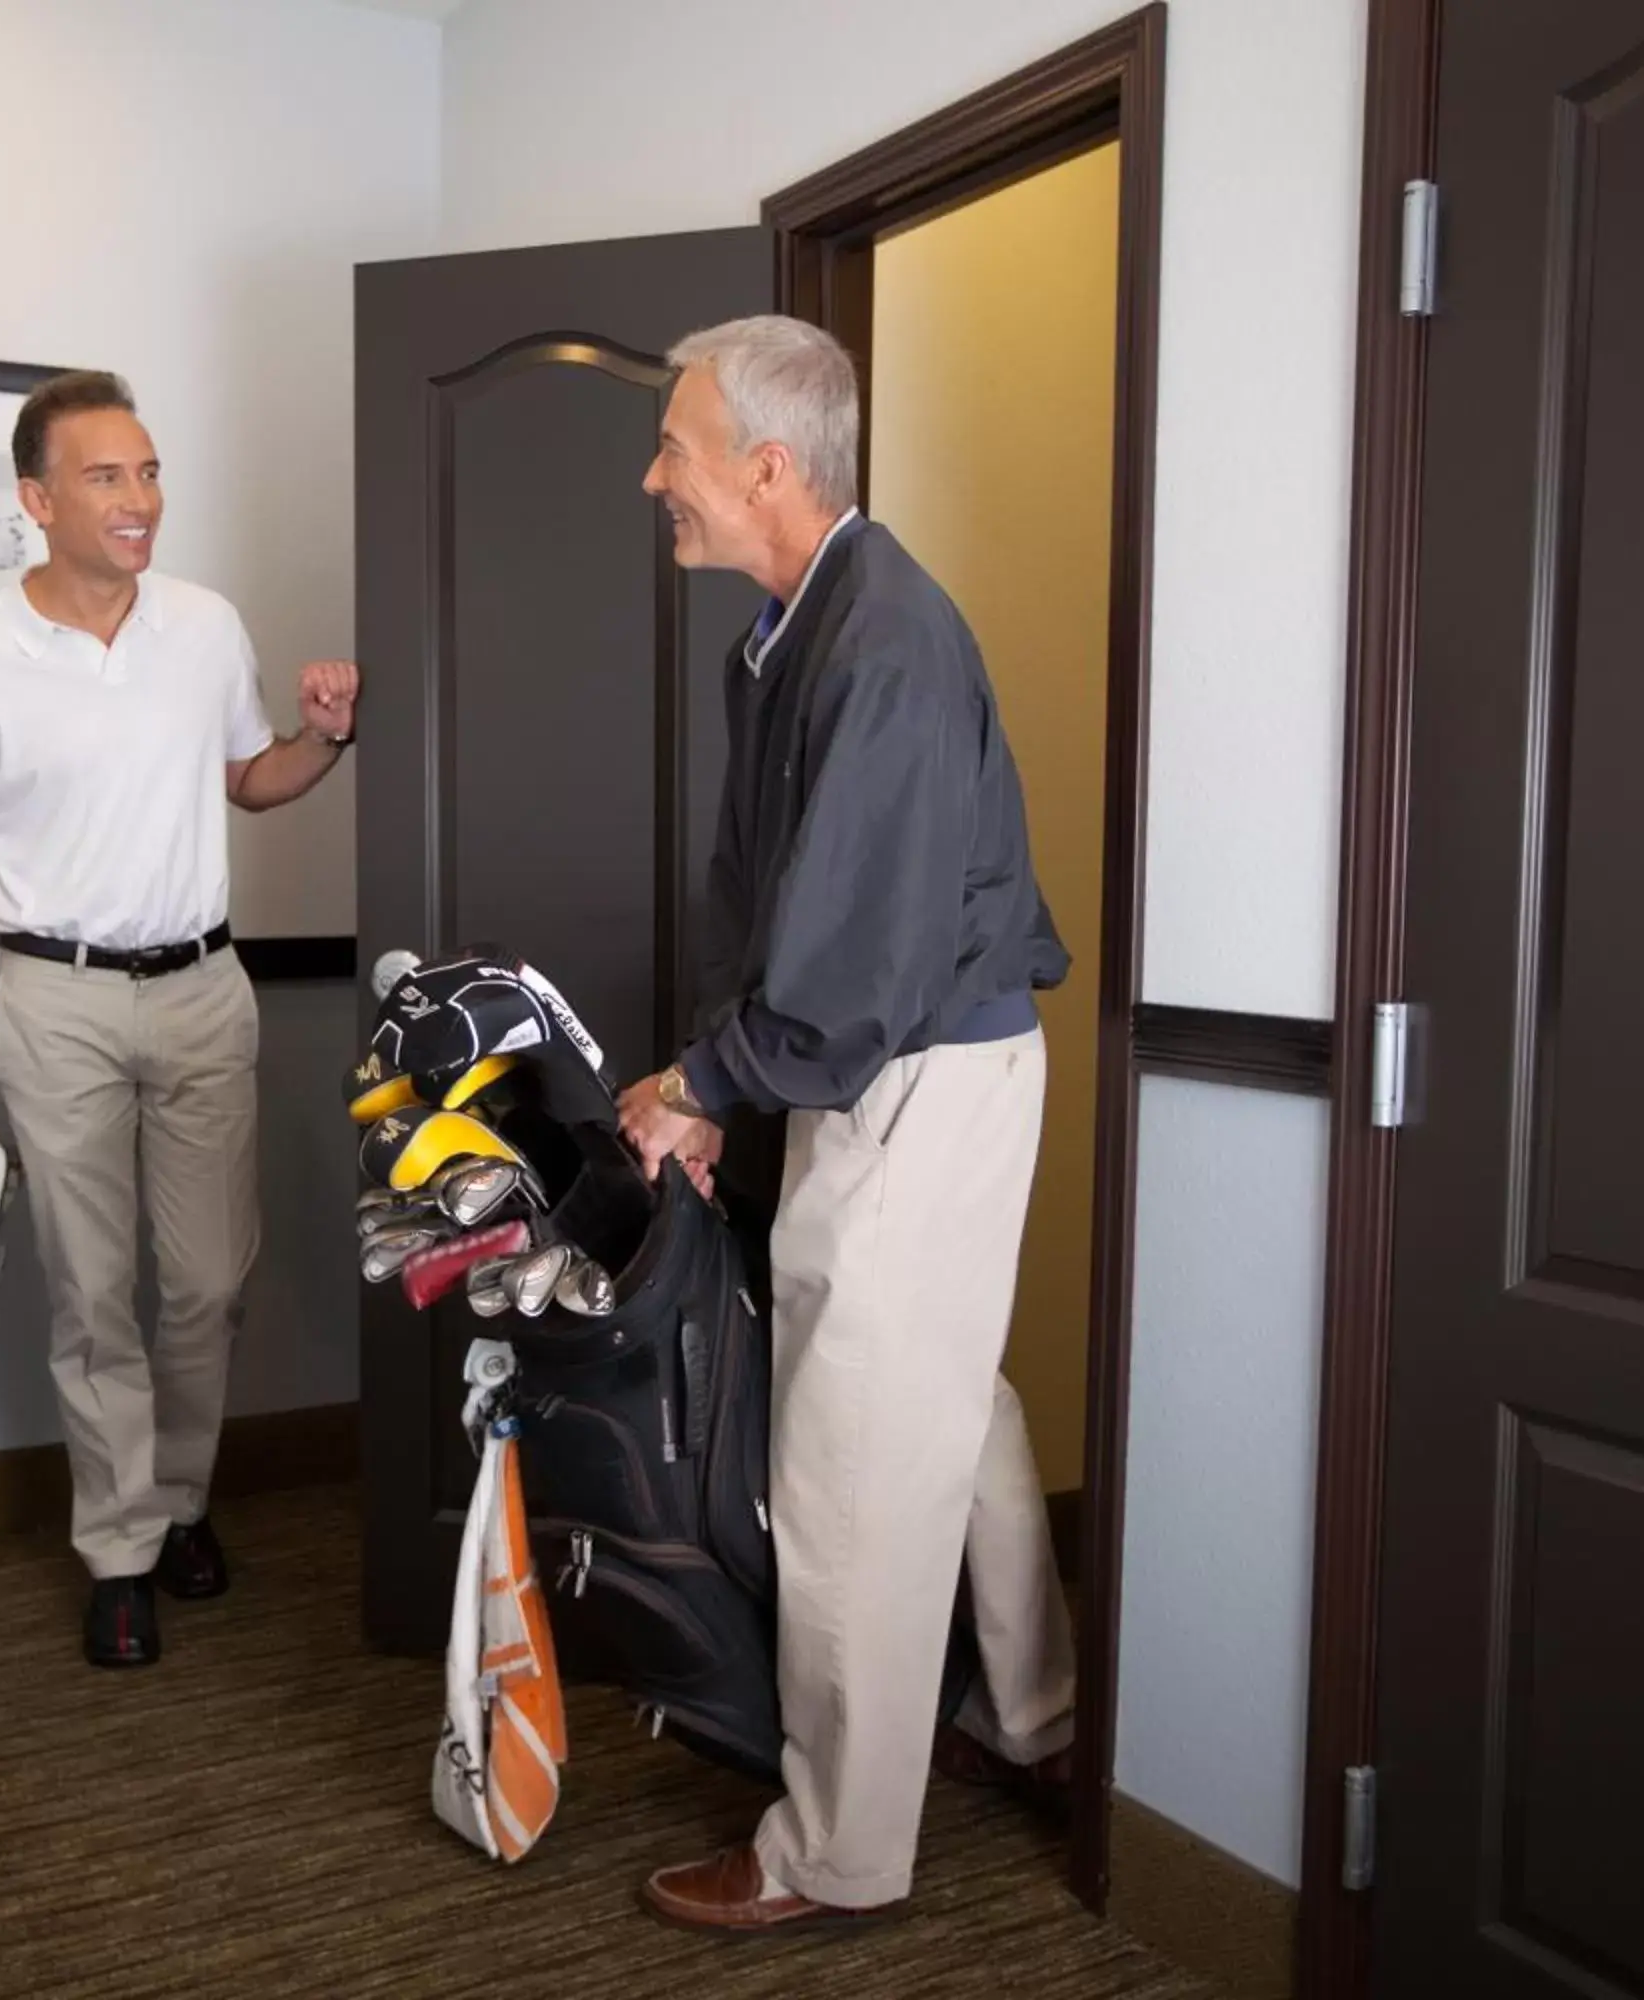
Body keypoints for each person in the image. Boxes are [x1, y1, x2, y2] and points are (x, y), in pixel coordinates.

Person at [615, 316, 1078, 1931]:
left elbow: (849, 975)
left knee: (851, 1467)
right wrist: (717, 1076)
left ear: (765, 465)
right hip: (907, 1067)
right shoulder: (805, 625)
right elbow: (796, 927)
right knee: (946, 1401)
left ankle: (834, 1853)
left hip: (908, 1075)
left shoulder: (877, 643)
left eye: (673, 446)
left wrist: (700, 1086)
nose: (653, 475)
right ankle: (1032, 1718)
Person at [0, 370, 358, 1669]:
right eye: (108, 477)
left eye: (151, 472)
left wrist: (328, 738)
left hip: (206, 987)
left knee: (208, 1287)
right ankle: (121, 1549)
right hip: (55, 999)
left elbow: (249, 780)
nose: (141, 498)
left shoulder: (205, 627)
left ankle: (180, 1501)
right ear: (37, 501)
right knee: (93, 1295)